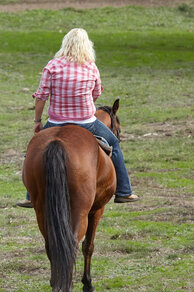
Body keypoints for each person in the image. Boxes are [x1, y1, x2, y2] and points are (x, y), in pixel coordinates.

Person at [17, 28, 139, 208]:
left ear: (65, 44)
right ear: (87, 46)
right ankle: (124, 191)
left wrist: (37, 122)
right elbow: (96, 93)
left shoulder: (52, 66)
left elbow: (41, 96)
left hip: (56, 122)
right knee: (114, 143)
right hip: (86, 122)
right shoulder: (91, 66)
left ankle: (30, 195)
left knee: (33, 149)